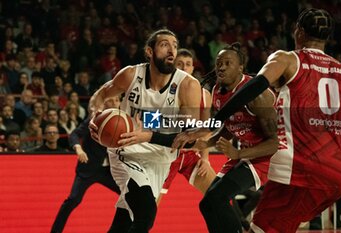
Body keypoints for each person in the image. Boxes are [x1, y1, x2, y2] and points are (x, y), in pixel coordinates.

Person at [173, 8, 341, 233]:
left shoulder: (285, 61)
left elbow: (254, 92)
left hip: (292, 162)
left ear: (299, 32)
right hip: (337, 174)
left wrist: (207, 133)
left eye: (186, 65)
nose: (221, 67)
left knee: (218, 200)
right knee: (220, 206)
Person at [88, 29, 202, 233]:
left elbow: (190, 138)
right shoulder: (131, 74)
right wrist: (95, 116)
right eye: (165, 44)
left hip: (160, 160)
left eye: (174, 45)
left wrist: (149, 132)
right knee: (146, 215)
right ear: (149, 51)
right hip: (126, 152)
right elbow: (101, 94)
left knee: (124, 222)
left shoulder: (187, 85)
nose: (172, 50)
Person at [194, 43, 277, 233]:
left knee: (218, 198)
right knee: (206, 204)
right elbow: (231, 125)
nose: (221, 67)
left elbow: (275, 143)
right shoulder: (217, 91)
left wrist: (238, 153)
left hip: (266, 156)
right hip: (245, 154)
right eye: (218, 63)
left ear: (240, 67)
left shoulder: (257, 95)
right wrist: (209, 142)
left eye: (228, 63)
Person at [51, 97, 121, 233]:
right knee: (73, 200)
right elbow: (75, 134)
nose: (113, 103)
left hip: (110, 170)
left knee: (130, 196)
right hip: (89, 168)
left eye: (116, 100)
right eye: (110, 100)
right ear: (104, 102)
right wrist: (78, 148)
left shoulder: (124, 120)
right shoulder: (95, 119)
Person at [157, 48, 216, 203]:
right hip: (165, 154)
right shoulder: (161, 90)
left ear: (192, 68)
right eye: (180, 64)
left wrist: (205, 158)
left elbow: (206, 130)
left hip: (190, 154)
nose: (184, 68)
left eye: (188, 64)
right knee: (149, 211)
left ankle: (242, 226)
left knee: (218, 194)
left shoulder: (205, 95)